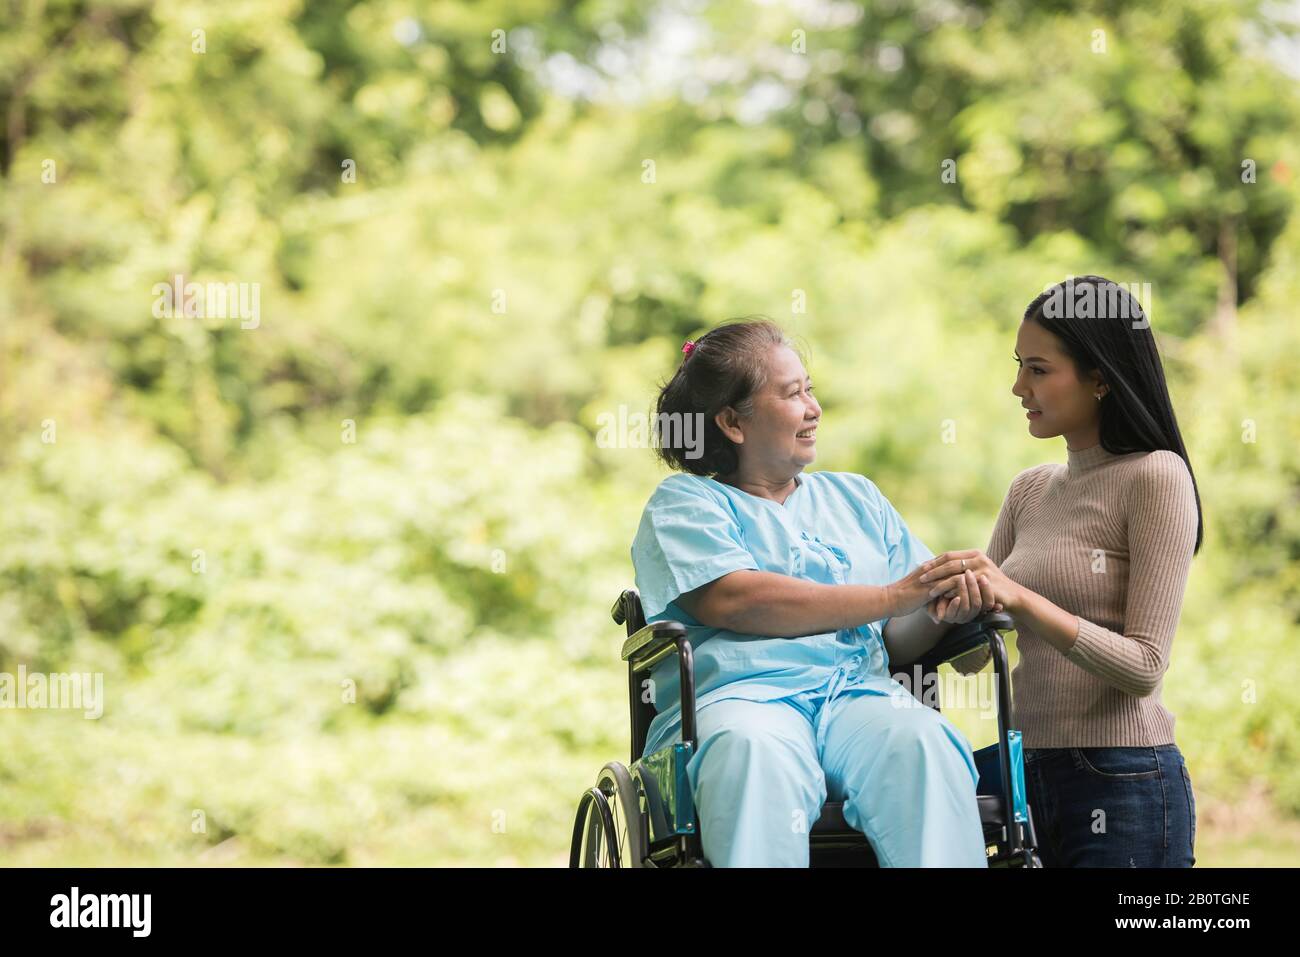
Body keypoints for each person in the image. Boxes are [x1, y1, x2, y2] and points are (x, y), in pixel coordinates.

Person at [631, 317, 994, 867]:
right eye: (792, 393)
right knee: (751, 753)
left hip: (856, 695)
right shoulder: (685, 503)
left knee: (922, 742)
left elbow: (898, 640)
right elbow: (738, 600)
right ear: (732, 422)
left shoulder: (856, 497)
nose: (813, 407)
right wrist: (895, 595)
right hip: (742, 698)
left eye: (810, 388)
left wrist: (941, 607)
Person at [920, 276, 1202, 867]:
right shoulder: (1030, 489)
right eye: (1020, 365)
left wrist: (1018, 598)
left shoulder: (1157, 476)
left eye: (1039, 369)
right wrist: (954, 596)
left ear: (1101, 378)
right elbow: (974, 655)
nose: (1018, 386)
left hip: (1121, 779)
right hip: (1024, 773)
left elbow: (1145, 668)